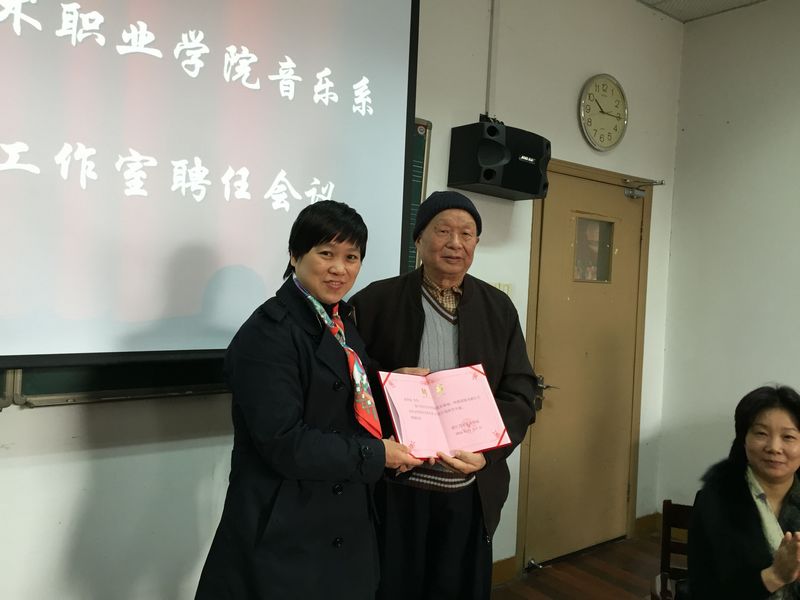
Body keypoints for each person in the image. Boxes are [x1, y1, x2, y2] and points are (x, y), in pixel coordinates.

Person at [195, 200, 422, 600]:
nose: (339, 268)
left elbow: (349, 395)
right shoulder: (267, 333)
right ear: (295, 254)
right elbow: (285, 442)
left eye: (351, 257)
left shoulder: (338, 320)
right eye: (326, 253)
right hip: (285, 532)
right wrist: (377, 455)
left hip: (343, 522)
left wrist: (393, 386)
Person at [350, 190, 537, 600]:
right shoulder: (374, 301)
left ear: (476, 244)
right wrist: (389, 382)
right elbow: (348, 383)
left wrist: (488, 452)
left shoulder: (498, 308)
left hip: (469, 490)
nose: (456, 243)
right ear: (418, 239)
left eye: (467, 234)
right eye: (443, 231)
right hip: (397, 489)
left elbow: (521, 389)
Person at [689, 384, 800, 599]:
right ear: (743, 440)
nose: (774, 447)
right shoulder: (714, 501)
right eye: (761, 433)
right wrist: (774, 576)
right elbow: (704, 590)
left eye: (788, 437)